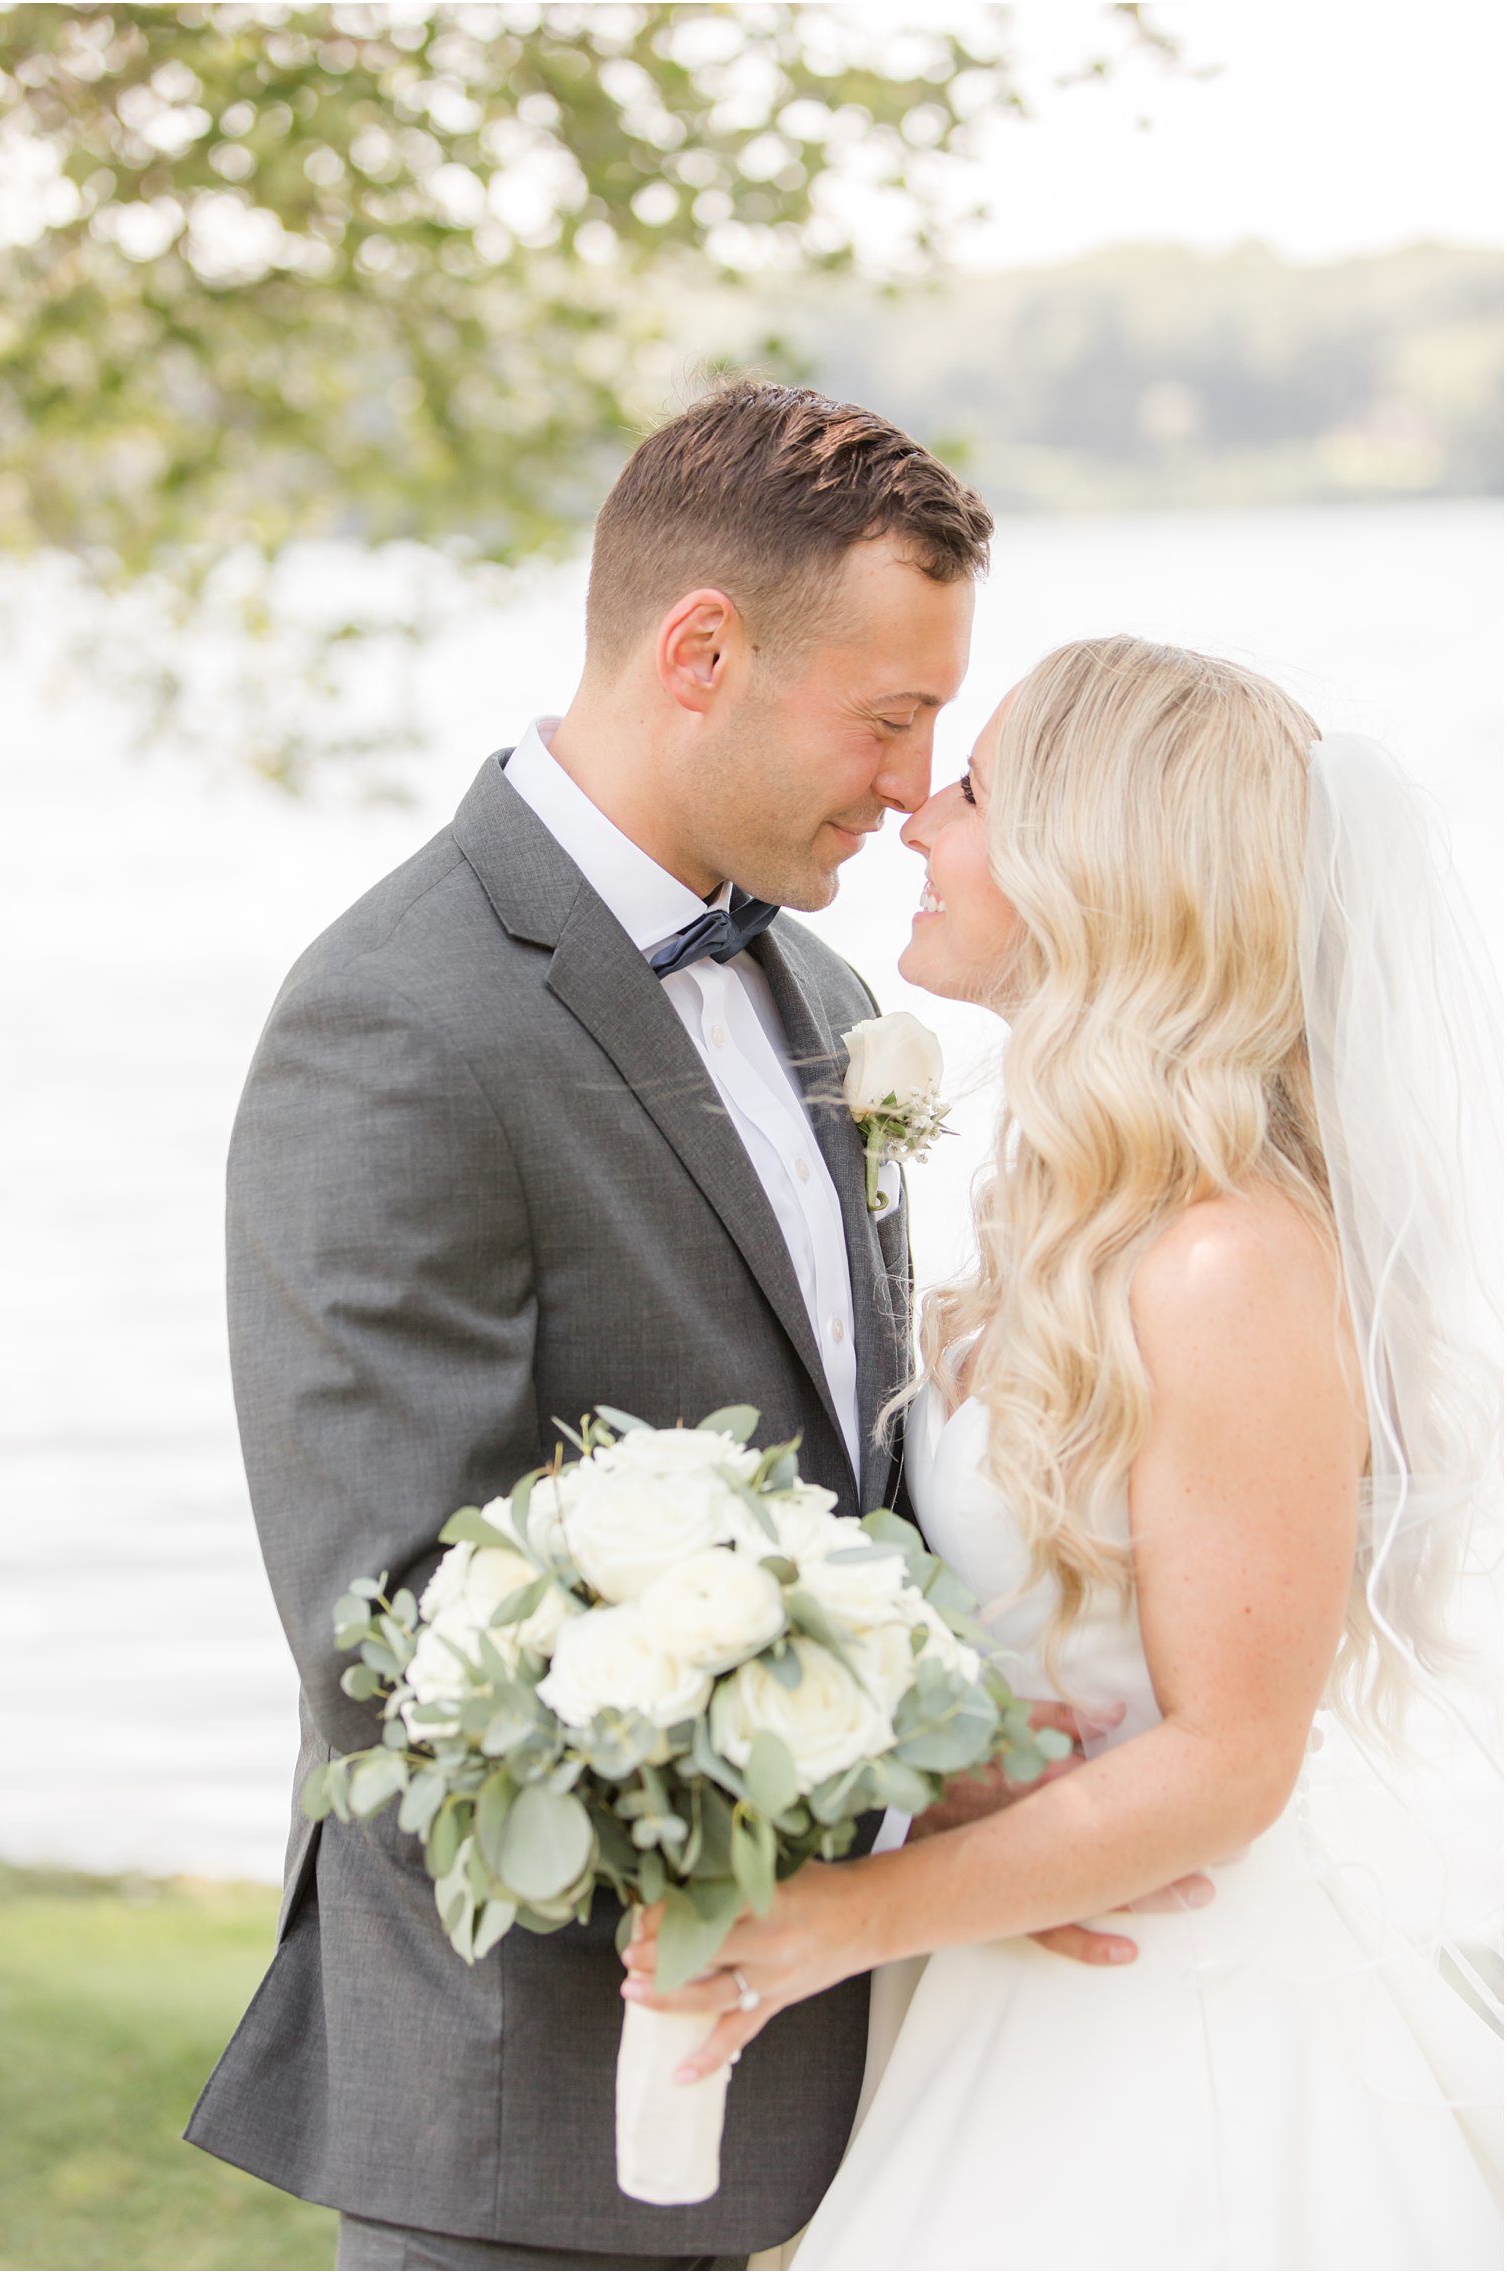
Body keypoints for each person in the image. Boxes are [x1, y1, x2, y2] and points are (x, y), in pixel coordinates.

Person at [184, 387, 1201, 2274]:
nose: (918, 788)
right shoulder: (398, 1019)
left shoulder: (817, 983)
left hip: (882, 2089)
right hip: (554, 2113)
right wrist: (931, 1787)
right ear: (705, 651)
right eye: (892, 719)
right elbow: (392, 1632)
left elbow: (858, 1479)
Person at [623, 637, 1504, 2271]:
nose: (915, 819)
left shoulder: (1229, 1259)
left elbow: (1232, 1757)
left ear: (1091, 859)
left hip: (1166, 2046)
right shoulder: (1088, 1225)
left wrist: (819, 1925)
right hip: (998, 1985)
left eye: (970, 790)